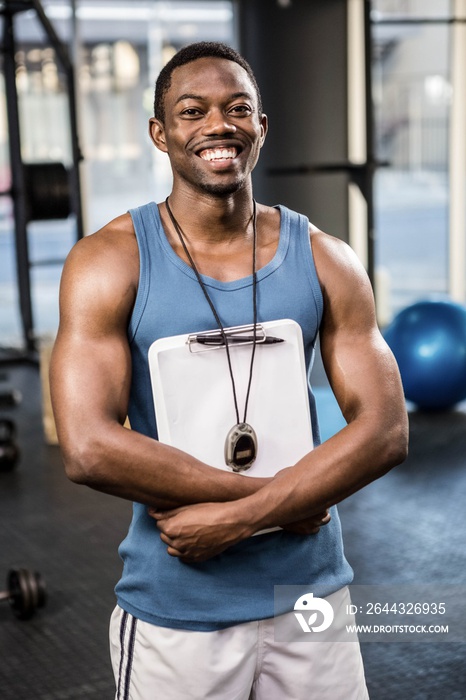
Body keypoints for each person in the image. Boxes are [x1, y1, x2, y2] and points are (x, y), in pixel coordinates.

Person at [50, 41, 408, 700]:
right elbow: (88, 447)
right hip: (180, 606)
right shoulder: (108, 262)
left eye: (238, 108)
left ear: (261, 128)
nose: (218, 125)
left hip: (312, 599)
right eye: (192, 111)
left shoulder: (326, 258)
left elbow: (386, 429)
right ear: (161, 134)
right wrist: (275, 503)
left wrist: (246, 516)